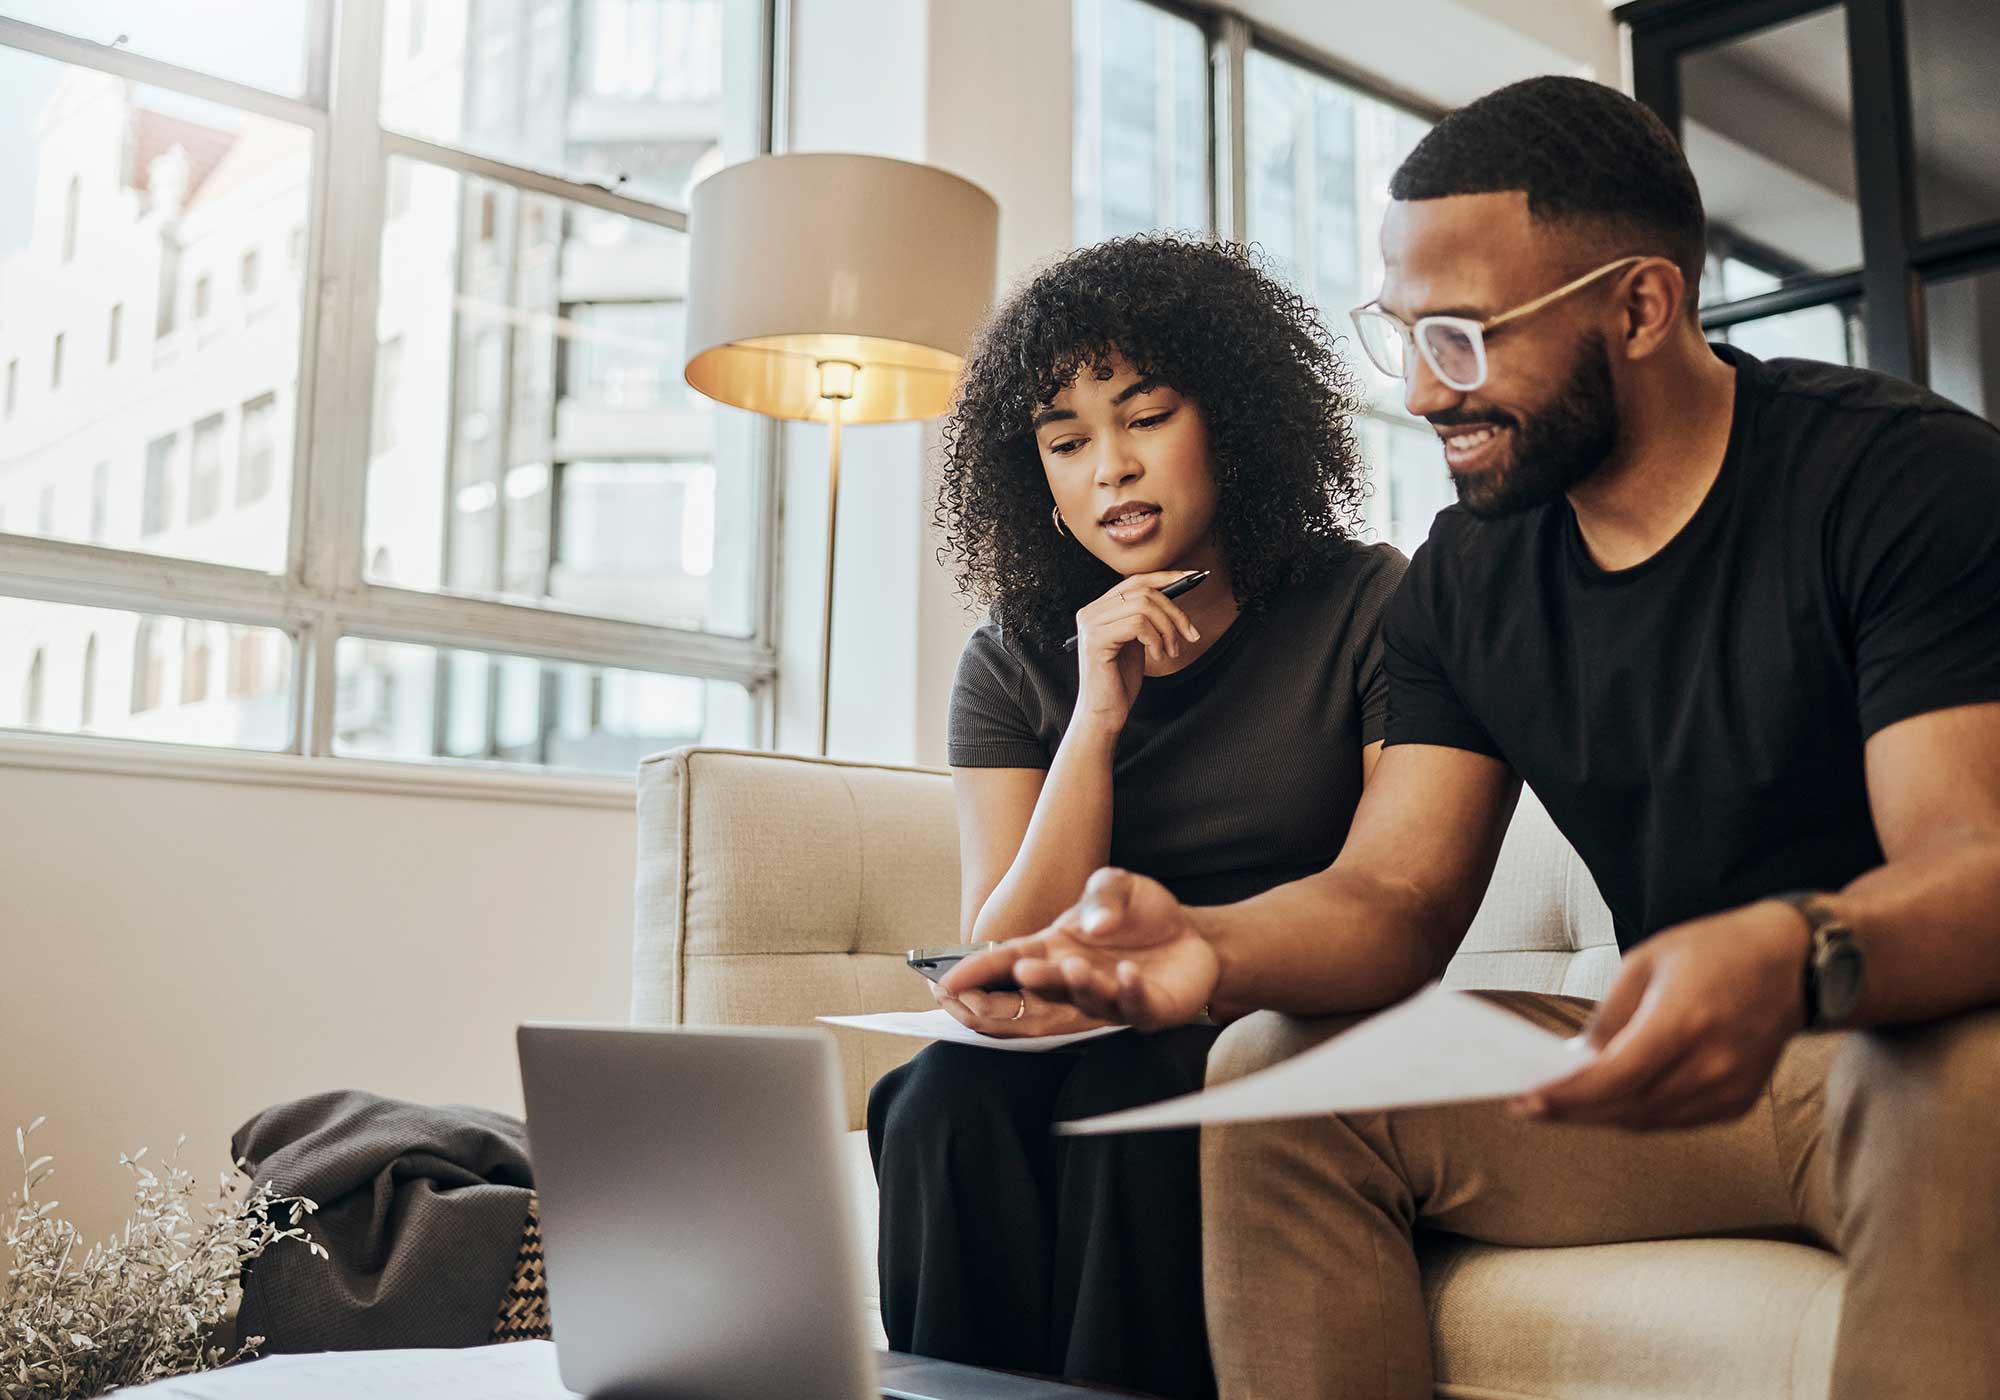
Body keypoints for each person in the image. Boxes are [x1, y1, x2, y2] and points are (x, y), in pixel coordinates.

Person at [947, 76, 2000, 1400]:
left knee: (1955, 1074)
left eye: (1464, 337)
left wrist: (1794, 947)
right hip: (1686, 1078)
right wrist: (1206, 948)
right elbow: (1392, 899)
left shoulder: (1894, 483)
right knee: (1277, 1075)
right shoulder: (1470, 575)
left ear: (1640, 305)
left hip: (1913, 1035)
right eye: (1403, 337)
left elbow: (1974, 860)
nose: (1426, 394)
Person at [868, 234, 1404, 1400]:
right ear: (1039, 483)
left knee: (1135, 1095)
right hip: (1077, 1022)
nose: (1108, 468)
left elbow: (1385, 900)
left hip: (1276, 1008)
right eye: (1066, 442)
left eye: (1144, 417)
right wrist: (1093, 718)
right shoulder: (1012, 655)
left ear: (1236, 420)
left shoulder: (1364, 603)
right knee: (934, 1099)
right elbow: (1000, 947)